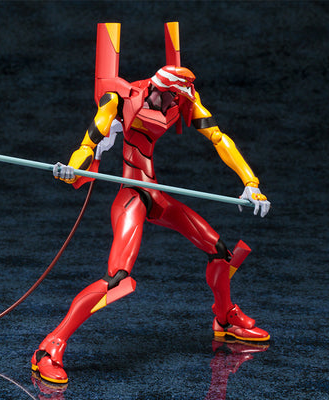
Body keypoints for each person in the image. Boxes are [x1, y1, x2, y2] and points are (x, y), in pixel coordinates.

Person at [31, 22, 271, 385]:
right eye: (173, 100)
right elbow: (89, 141)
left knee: (219, 251)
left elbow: (219, 138)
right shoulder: (120, 98)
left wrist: (251, 184)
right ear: (161, 91)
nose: (176, 107)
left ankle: (224, 318)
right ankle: (50, 347)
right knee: (118, 279)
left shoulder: (183, 99)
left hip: (154, 193)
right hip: (131, 195)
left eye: (179, 102)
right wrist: (73, 168)